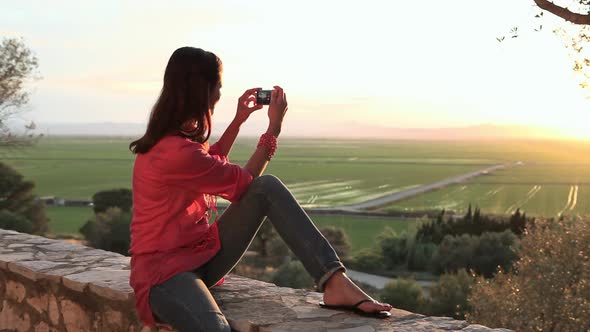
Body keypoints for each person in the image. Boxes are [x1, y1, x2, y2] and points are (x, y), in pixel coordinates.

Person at [127, 46, 393, 332]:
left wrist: (239, 120)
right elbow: (242, 182)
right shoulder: (175, 151)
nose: (219, 95)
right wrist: (273, 130)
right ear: (201, 91)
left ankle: (334, 281)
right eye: (217, 87)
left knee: (267, 188)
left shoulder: (176, 143)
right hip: (164, 274)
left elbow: (209, 159)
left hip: (200, 255)